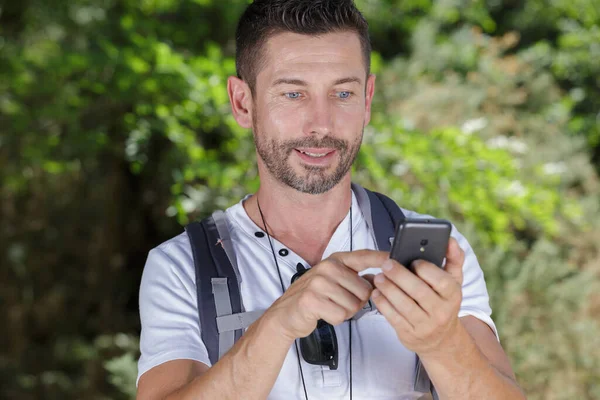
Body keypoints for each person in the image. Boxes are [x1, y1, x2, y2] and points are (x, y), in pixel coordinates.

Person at [135, 1, 526, 399]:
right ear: (243, 103)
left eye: (342, 92)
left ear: (367, 99)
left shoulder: (435, 253)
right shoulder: (182, 266)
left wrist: (442, 343)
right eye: (292, 94)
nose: (321, 124)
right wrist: (278, 325)